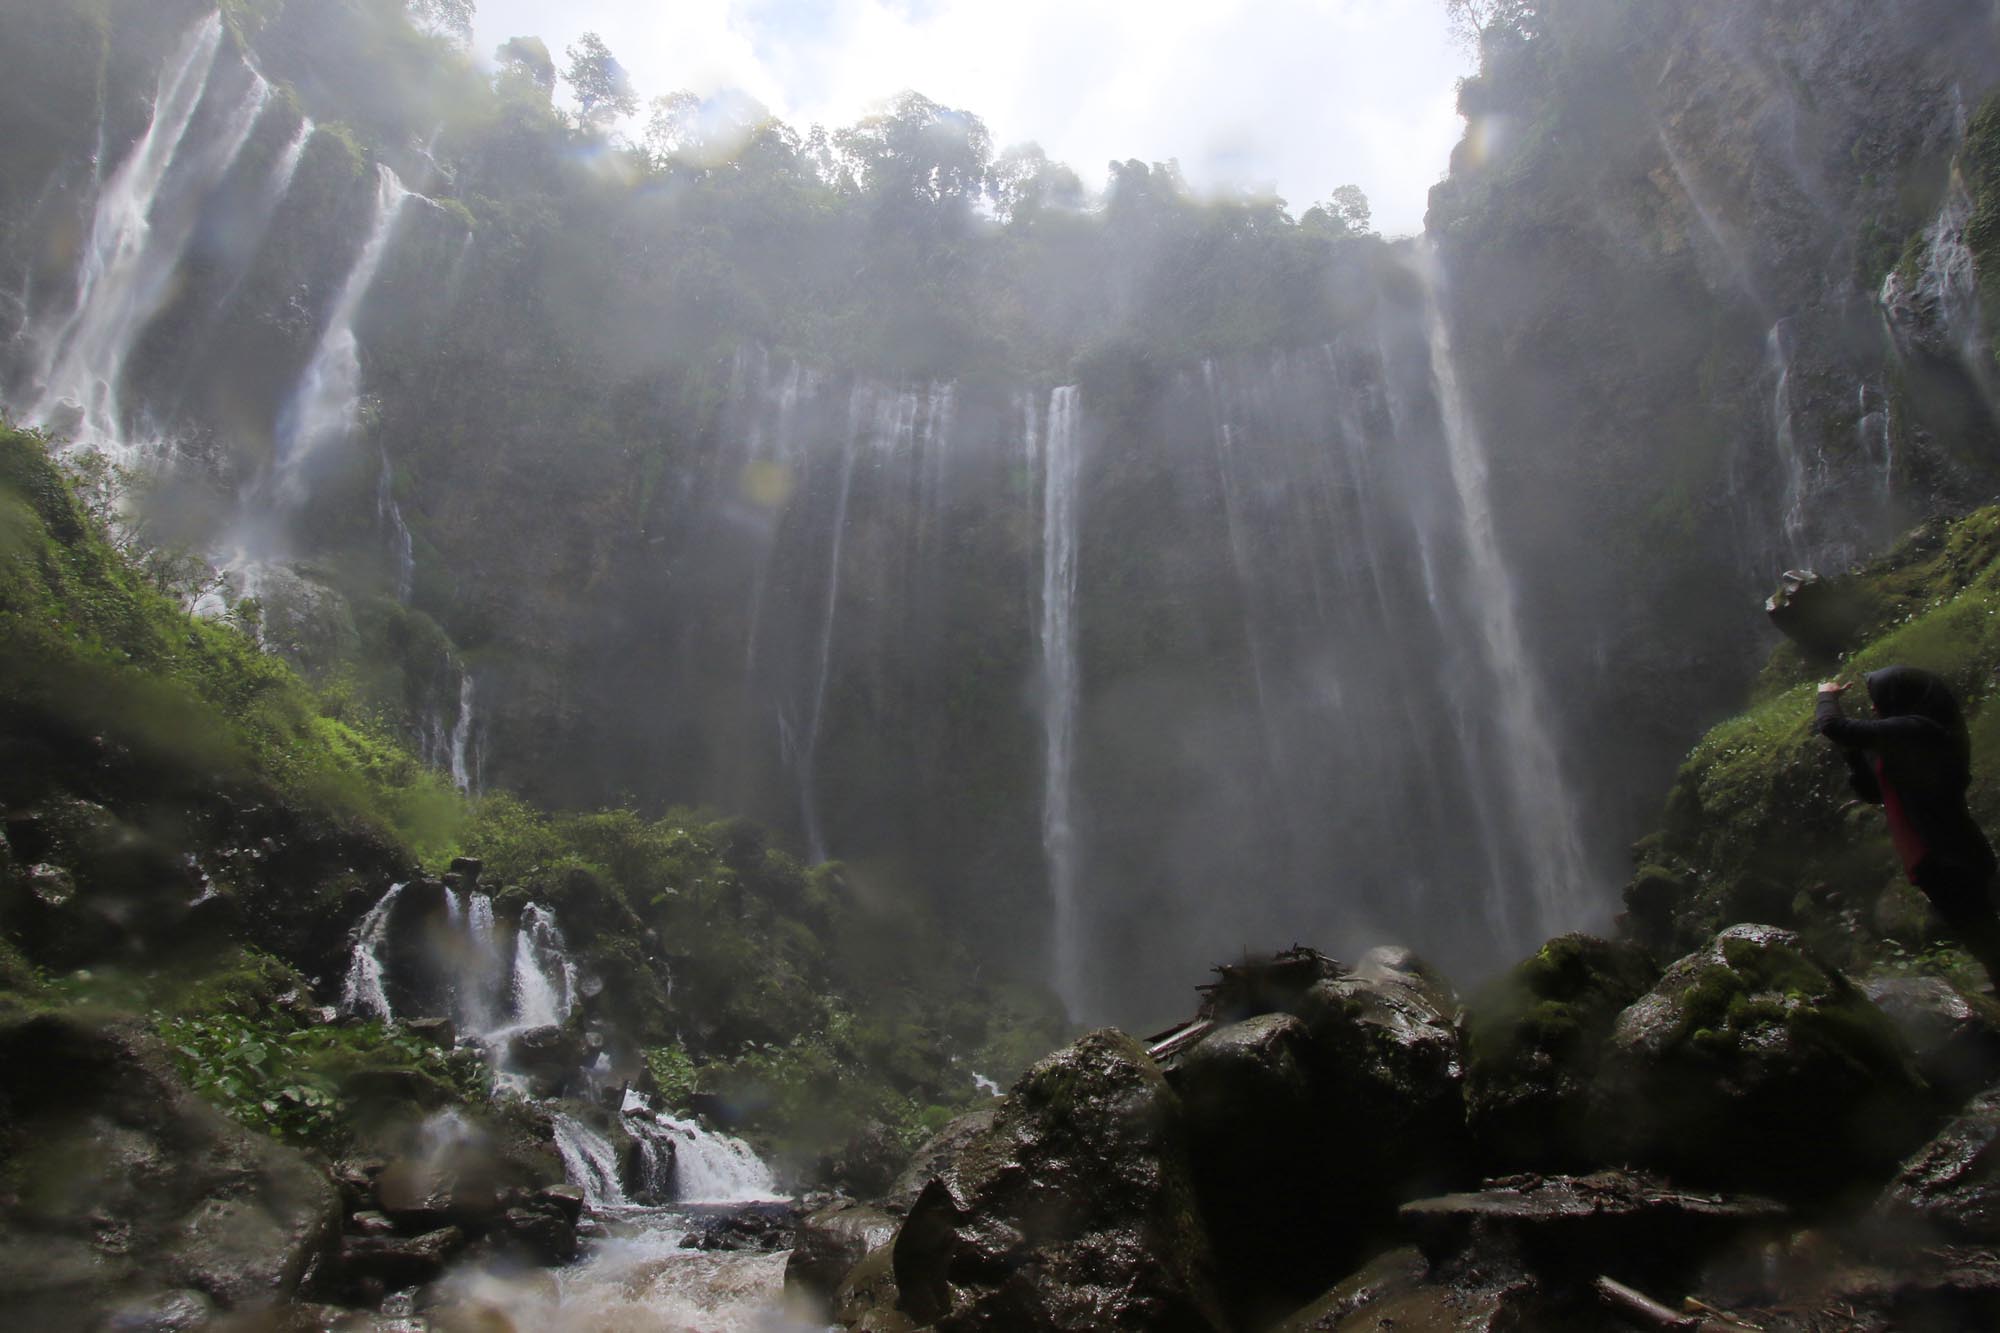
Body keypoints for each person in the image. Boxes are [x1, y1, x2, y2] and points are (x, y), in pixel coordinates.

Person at [1814, 666, 2000, 988]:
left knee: (1984, 937)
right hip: (1929, 858)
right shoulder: (1899, 740)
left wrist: (1826, 696)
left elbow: (1833, 725)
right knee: (1980, 937)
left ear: (1898, 696)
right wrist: (1853, 757)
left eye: (1877, 698)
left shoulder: (1918, 729)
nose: (1874, 708)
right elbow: (1873, 791)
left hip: (1950, 852)